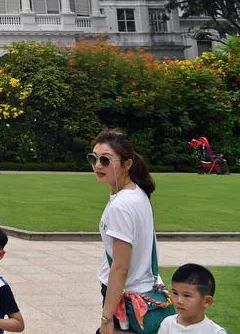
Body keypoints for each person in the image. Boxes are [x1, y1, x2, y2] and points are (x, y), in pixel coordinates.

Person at [91, 130, 165, 334]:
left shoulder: (121, 205)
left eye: (105, 160)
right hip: (142, 289)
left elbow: (120, 267)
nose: (97, 165)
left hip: (126, 297)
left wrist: (106, 317)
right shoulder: (137, 194)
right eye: (93, 158)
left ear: (127, 164)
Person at [160, 264, 225, 334]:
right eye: (175, 293)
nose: (179, 301)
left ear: (206, 301)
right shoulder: (167, 324)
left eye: (186, 295)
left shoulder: (215, 332)